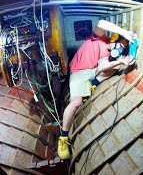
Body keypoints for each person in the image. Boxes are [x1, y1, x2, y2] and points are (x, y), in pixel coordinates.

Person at [58, 20, 136, 160]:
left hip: (93, 70)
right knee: (76, 103)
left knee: (117, 67)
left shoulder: (110, 55)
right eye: (118, 45)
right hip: (79, 72)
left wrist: (121, 61)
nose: (118, 49)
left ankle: (93, 84)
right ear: (114, 39)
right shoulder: (99, 38)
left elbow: (101, 67)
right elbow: (101, 23)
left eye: (121, 48)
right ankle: (63, 138)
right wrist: (125, 33)